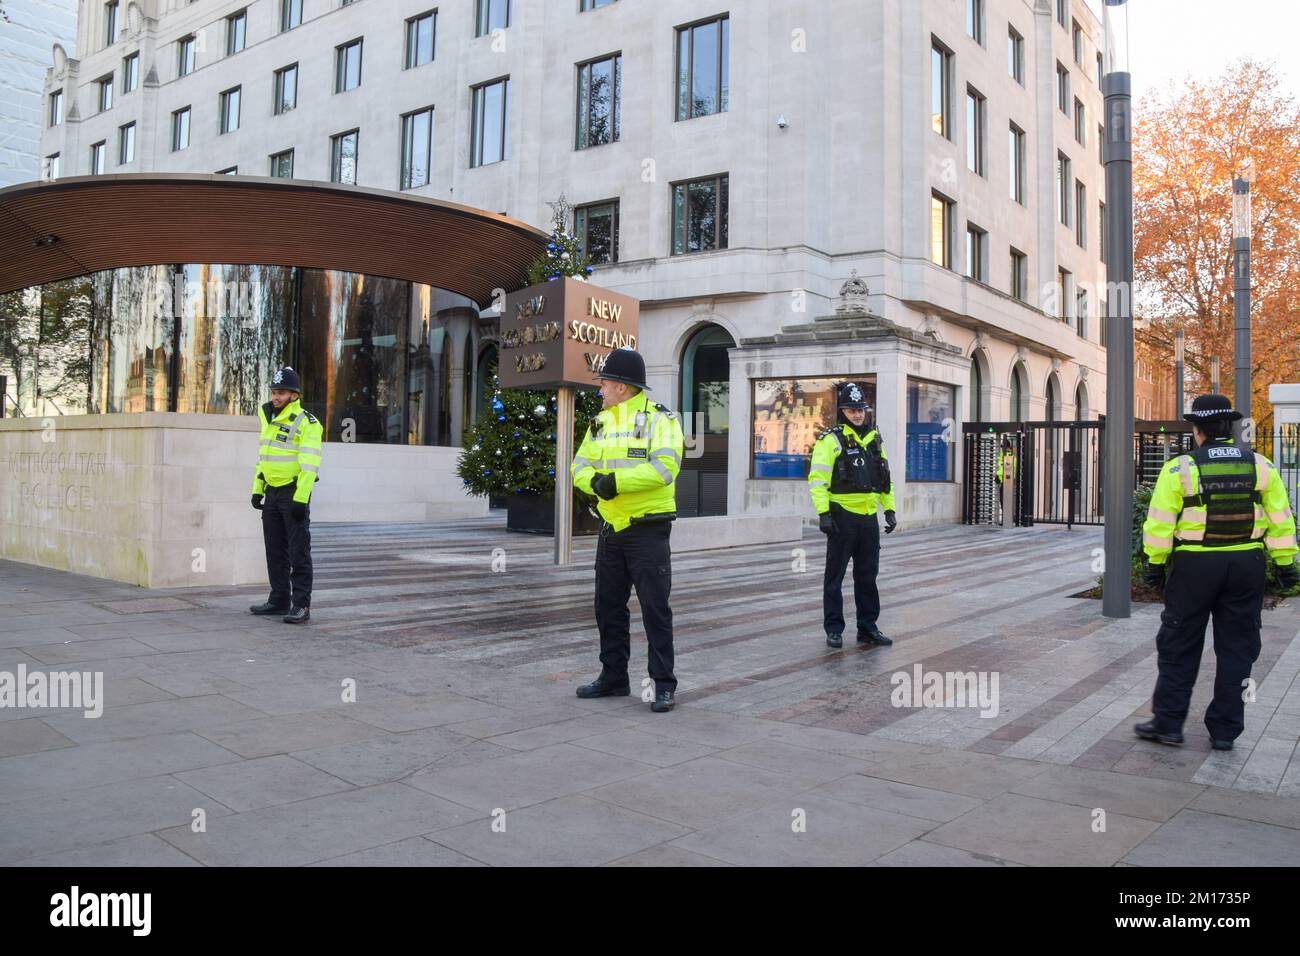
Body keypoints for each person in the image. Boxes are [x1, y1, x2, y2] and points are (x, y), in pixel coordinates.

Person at [1136, 394, 1298, 750]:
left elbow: (1160, 522)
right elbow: (1281, 520)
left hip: (1194, 567)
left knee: (1179, 644)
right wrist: (1286, 564)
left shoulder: (1179, 468)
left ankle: (1168, 724)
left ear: (1198, 430)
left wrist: (1155, 564)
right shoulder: (1261, 466)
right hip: (1246, 565)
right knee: (1238, 649)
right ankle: (1225, 731)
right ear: (1230, 426)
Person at [570, 348, 685, 713]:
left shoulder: (661, 420)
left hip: (648, 529)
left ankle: (663, 685)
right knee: (607, 607)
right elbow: (578, 467)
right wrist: (597, 483)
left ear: (621, 386)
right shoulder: (599, 423)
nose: (600, 390)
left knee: (655, 609)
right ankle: (614, 677)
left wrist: (613, 482)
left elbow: (665, 469)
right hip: (610, 530)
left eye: (604, 383)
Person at [807, 382, 897, 649]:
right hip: (841, 517)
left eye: (860, 410)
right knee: (835, 577)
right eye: (851, 410)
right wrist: (823, 514)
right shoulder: (830, 439)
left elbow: (884, 478)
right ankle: (834, 629)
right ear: (841, 411)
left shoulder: (874, 439)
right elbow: (817, 479)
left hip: (868, 517)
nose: (857, 415)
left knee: (868, 575)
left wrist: (889, 508)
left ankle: (867, 627)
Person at [248, 366, 323, 624]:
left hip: (293, 492)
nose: (276, 397)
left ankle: (301, 605)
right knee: (274, 549)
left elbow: (310, 464)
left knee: (298, 549)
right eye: (274, 392)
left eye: (281, 392)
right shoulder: (268, 418)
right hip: (272, 492)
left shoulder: (307, 422)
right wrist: (258, 489)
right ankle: (279, 599)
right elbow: (264, 458)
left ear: (294, 394)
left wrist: (301, 499)